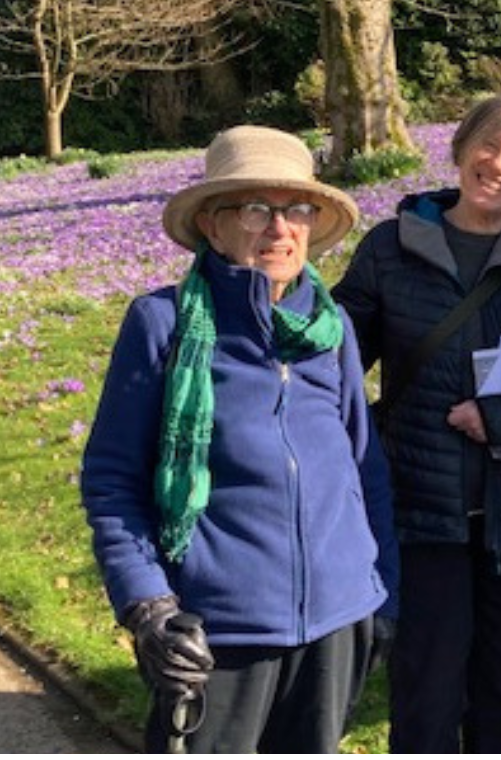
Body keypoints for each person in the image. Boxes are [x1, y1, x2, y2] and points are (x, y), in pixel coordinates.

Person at [80, 125, 398, 753]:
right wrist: (149, 607)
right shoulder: (163, 324)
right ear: (212, 225)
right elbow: (112, 481)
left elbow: (366, 471)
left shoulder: (331, 330)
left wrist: (383, 591)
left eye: (297, 210)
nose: (280, 229)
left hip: (338, 623)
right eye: (256, 209)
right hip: (216, 635)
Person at [332, 92, 501, 753]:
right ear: (461, 143)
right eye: (490, 143)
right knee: (427, 693)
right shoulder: (391, 247)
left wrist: (500, 418)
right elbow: (336, 363)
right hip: (423, 513)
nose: (499, 164)